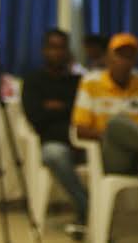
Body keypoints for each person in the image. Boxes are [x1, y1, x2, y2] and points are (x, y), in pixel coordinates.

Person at [72, 33, 138, 243]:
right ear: (109, 58)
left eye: (130, 56)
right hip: (110, 154)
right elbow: (80, 129)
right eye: (120, 55)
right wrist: (114, 134)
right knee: (117, 123)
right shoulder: (91, 83)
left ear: (136, 60)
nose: (125, 61)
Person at [21, 29, 87, 238]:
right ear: (44, 50)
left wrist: (56, 107)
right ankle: (88, 207)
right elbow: (36, 116)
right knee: (54, 154)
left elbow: (82, 114)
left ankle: (100, 210)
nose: (57, 53)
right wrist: (65, 109)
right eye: (53, 47)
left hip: (82, 142)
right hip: (52, 142)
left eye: (62, 47)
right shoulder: (33, 81)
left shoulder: (78, 81)